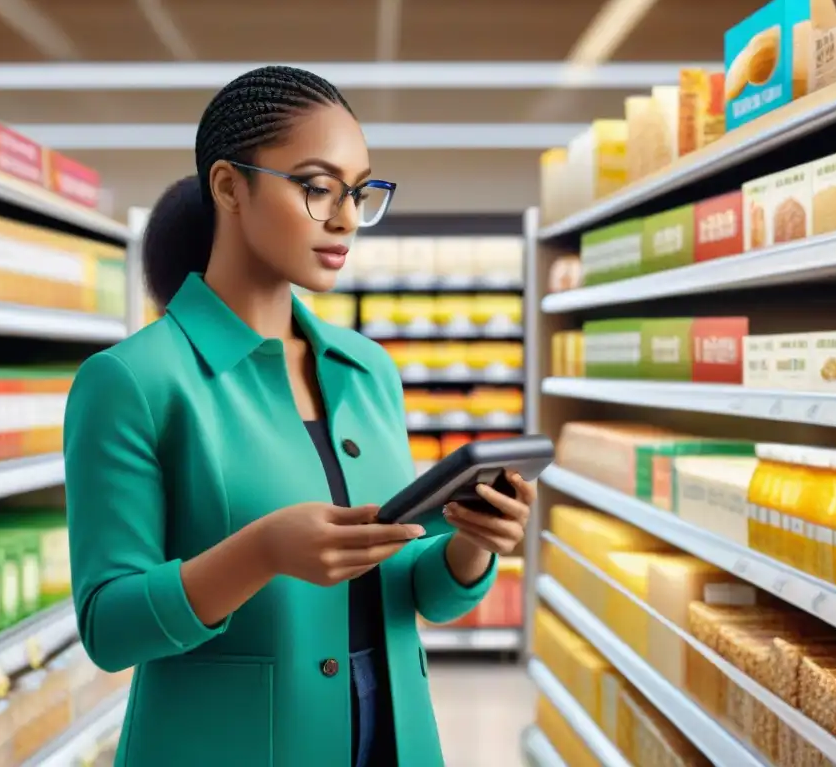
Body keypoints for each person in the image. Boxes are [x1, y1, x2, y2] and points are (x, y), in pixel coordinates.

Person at [63, 65, 535, 767]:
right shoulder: (130, 382)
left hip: (395, 740)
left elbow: (415, 593)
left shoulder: (367, 371)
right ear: (229, 186)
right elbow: (110, 627)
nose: (345, 217)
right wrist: (261, 553)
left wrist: (473, 544)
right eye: (317, 187)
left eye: (359, 191)